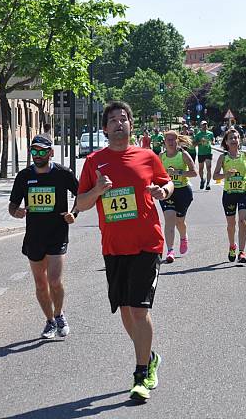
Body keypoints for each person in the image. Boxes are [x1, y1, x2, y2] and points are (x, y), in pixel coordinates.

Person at [76, 101, 174, 402]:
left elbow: (167, 183)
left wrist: (163, 192)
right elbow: (80, 204)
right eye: (113, 120)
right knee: (126, 310)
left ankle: (141, 373)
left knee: (140, 308)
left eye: (124, 119)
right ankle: (149, 354)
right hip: (114, 247)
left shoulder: (147, 156)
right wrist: (98, 190)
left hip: (147, 243)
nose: (120, 124)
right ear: (105, 128)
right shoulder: (94, 161)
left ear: (131, 125)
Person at [9, 134, 79, 339]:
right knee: (40, 284)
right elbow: (12, 206)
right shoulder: (23, 176)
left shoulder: (63, 174)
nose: (37, 155)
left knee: (54, 281)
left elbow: (81, 194)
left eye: (41, 151)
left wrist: (73, 214)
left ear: (51, 152)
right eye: (34, 151)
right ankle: (49, 321)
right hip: (34, 236)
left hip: (57, 233)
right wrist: (18, 212)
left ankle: (59, 314)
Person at [213, 128, 246, 264]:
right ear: (226, 141)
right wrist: (226, 175)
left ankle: (242, 252)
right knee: (231, 225)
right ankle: (232, 246)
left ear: (239, 140)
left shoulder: (244, 155)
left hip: (244, 192)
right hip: (229, 194)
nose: (234, 140)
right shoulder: (223, 157)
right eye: (231, 138)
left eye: (236, 138)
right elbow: (215, 176)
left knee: (242, 222)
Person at [160, 130, 197, 263]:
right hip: (168, 192)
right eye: (167, 139)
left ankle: (183, 237)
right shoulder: (161, 156)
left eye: (172, 139)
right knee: (169, 218)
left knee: (179, 221)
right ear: (164, 142)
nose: (170, 142)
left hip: (183, 191)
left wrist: (178, 172)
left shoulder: (183, 155)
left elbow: (194, 173)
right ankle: (170, 250)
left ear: (177, 141)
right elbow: (157, 174)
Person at [194, 120, 215, 190]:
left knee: (208, 168)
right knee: (201, 169)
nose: (205, 126)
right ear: (201, 126)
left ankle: (208, 184)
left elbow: (213, 139)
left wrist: (213, 141)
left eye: (206, 124)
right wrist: (200, 142)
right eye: (203, 124)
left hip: (208, 152)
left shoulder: (210, 133)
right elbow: (194, 144)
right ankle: (202, 179)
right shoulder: (198, 134)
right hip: (201, 153)